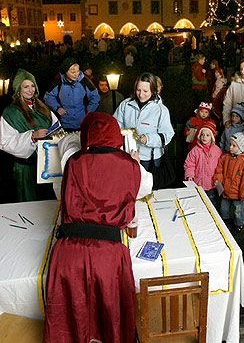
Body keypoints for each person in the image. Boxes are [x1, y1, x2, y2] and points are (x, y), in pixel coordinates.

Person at [43, 112, 153, 343]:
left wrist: (76, 136)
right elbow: (146, 186)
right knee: (110, 321)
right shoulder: (130, 166)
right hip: (108, 257)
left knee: (68, 325)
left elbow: (67, 144)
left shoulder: (72, 161)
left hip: (69, 254)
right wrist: (136, 164)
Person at [0, 68, 58, 201]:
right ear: (18, 88)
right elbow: (4, 142)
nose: (30, 90)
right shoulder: (10, 112)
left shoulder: (42, 107)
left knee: (48, 205)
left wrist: (56, 135)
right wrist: (32, 136)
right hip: (26, 169)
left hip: (47, 167)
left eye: (32, 86)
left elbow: (56, 127)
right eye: (26, 86)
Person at [114, 72, 174, 171]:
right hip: (128, 155)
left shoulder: (161, 110)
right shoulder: (125, 105)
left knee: (148, 185)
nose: (141, 95)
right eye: (138, 90)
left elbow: (167, 135)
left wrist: (148, 139)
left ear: (153, 90)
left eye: (145, 91)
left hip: (149, 159)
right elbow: (115, 124)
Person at [44, 57, 100, 131]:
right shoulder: (59, 83)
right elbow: (48, 97)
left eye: (77, 71)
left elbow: (95, 96)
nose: (75, 74)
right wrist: (57, 108)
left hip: (82, 121)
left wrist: (89, 111)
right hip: (65, 122)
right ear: (66, 72)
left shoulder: (84, 81)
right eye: (72, 72)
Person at [214, 130, 244, 232]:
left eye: (234, 146)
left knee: (238, 211)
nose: (230, 147)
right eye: (230, 144)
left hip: (238, 195)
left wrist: (243, 195)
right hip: (225, 190)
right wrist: (218, 180)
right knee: (223, 207)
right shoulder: (225, 157)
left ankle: (239, 223)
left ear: (241, 147)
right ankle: (225, 220)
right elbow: (219, 170)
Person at [184, 120, 221, 207]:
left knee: (211, 203)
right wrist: (190, 175)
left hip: (211, 184)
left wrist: (218, 178)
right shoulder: (195, 150)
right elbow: (189, 164)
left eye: (207, 135)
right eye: (202, 134)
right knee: (199, 202)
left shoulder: (217, 150)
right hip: (198, 182)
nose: (204, 137)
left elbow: (221, 166)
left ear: (212, 137)